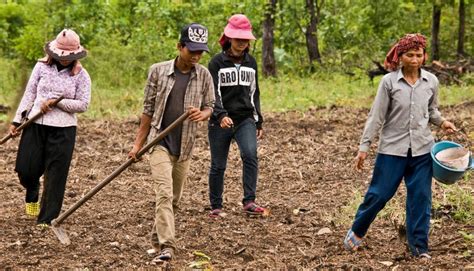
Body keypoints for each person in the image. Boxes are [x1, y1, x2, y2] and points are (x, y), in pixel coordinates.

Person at [343, 33, 457, 258]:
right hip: (392, 150)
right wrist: (364, 147)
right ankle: (357, 230)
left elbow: (431, 110)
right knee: (379, 194)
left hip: (423, 150)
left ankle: (419, 247)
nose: (414, 59)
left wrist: (443, 122)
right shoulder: (389, 82)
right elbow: (376, 116)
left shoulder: (431, 81)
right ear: (400, 56)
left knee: (420, 198)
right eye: (409, 55)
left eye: (419, 55)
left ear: (424, 57)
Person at [128, 23, 214, 263]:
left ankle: (156, 239)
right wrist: (138, 144)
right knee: (164, 193)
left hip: (185, 144)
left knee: (174, 199)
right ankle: (167, 246)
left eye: (200, 52)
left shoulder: (204, 74)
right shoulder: (158, 71)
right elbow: (147, 109)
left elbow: (211, 106)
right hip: (159, 141)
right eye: (191, 50)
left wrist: (203, 114)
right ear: (179, 47)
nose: (196, 56)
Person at [9, 29, 91, 227]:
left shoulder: (82, 76)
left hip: (64, 129)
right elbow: (30, 93)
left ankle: (46, 219)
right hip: (36, 124)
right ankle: (32, 189)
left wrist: (57, 103)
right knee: (26, 169)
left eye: (69, 56)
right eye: (61, 56)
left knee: (56, 175)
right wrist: (17, 121)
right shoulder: (41, 67)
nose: (64, 60)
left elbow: (83, 104)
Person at [207, 14, 265, 218]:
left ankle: (249, 201)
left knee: (250, 155)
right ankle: (216, 205)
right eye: (237, 38)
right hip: (219, 121)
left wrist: (258, 120)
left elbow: (254, 91)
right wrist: (220, 114)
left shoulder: (251, 62)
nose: (241, 43)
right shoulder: (216, 62)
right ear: (229, 38)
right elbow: (212, 92)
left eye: (245, 39)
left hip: (245, 119)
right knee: (218, 164)